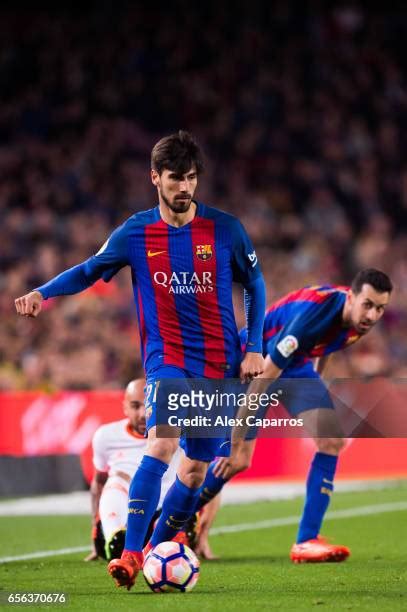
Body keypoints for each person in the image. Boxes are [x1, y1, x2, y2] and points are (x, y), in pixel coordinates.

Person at [15, 130, 266, 589]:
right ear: (155, 177)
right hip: (166, 359)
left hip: (218, 365)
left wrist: (254, 348)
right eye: (174, 178)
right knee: (161, 446)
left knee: (193, 470)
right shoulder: (136, 232)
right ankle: (131, 555)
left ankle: (155, 547)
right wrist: (42, 293)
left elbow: (255, 284)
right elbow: (90, 270)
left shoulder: (226, 229)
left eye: (190, 178)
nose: (184, 187)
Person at [191, 269, 392, 563]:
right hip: (254, 361)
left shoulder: (356, 320)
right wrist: (233, 441)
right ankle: (174, 521)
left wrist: (317, 382)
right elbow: (263, 380)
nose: (373, 315)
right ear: (351, 297)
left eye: (380, 308)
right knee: (236, 460)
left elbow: (329, 344)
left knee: (332, 441)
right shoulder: (313, 317)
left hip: (295, 366)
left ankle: (306, 540)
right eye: (368, 305)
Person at [84, 377, 219, 562]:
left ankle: (167, 538)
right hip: (127, 515)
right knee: (115, 480)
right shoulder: (105, 436)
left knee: (186, 493)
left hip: (168, 512)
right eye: (135, 406)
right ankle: (115, 537)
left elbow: (207, 481)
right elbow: (98, 484)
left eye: (147, 405)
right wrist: (96, 528)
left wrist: (204, 534)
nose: (142, 414)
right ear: (124, 407)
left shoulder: (179, 433)